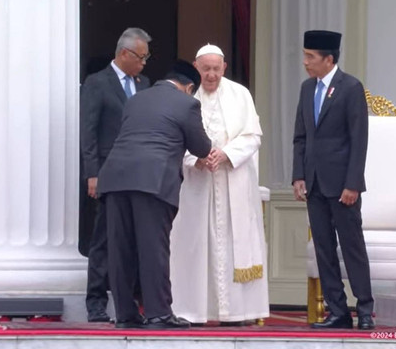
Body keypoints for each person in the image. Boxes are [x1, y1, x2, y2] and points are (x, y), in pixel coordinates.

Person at [98, 60, 211, 329]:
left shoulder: (136, 99)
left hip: (115, 177)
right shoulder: (187, 104)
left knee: (120, 249)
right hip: (152, 180)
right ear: (189, 87)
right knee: (153, 249)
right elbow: (201, 147)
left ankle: (126, 314)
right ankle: (159, 313)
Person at [169, 44, 269, 325]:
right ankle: (194, 310)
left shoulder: (241, 94)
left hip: (233, 180)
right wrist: (196, 159)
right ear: (196, 67)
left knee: (232, 244)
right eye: (205, 69)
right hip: (198, 186)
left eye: (216, 69)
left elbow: (253, 136)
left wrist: (225, 154)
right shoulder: (186, 95)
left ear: (224, 67)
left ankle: (236, 312)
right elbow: (175, 138)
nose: (211, 75)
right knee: (196, 244)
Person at [291, 30, 375, 330]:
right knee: (324, 249)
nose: (305, 62)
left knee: (352, 247)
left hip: (343, 186)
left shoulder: (350, 87)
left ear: (329, 59)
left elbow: (358, 140)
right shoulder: (306, 88)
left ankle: (365, 309)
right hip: (314, 184)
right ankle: (337, 311)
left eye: (310, 57)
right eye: (305, 55)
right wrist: (298, 176)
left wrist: (353, 183)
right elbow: (300, 137)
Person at [80, 27, 152, 322]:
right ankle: (96, 303)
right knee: (103, 240)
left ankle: (131, 303)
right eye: (141, 57)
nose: (144, 63)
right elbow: (89, 133)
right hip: (108, 172)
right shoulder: (97, 83)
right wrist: (92, 174)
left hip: (139, 172)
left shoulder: (144, 83)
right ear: (124, 53)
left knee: (135, 239)